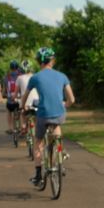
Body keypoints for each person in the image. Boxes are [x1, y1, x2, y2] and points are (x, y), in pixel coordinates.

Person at [21, 47, 75, 185]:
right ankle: (59, 153)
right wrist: (65, 104)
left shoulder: (35, 77)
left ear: (39, 61)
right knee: (56, 126)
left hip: (43, 114)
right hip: (59, 113)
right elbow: (72, 100)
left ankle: (38, 175)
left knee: (38, 142)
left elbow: (25, 97)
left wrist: (23, 107)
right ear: (53, 61)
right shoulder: (62, 76)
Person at [15, 60, 37, 134]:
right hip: (36, 102)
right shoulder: (36, 76)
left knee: (23, 113)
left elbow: (16, 93)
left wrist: (14, 98)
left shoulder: (19, 78)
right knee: (36, 116)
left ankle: (24, 126)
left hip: (25, 102)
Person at [4, 60, 23, 135]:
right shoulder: (21, 76)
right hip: (19, 100)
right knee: (21, 112)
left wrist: (4, 95)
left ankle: (10, 128)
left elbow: (4, 89)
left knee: (9, 111)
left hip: (10, 101)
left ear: (10, 68)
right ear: (18, 67)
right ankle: (22, 128)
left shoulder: (7, 77)